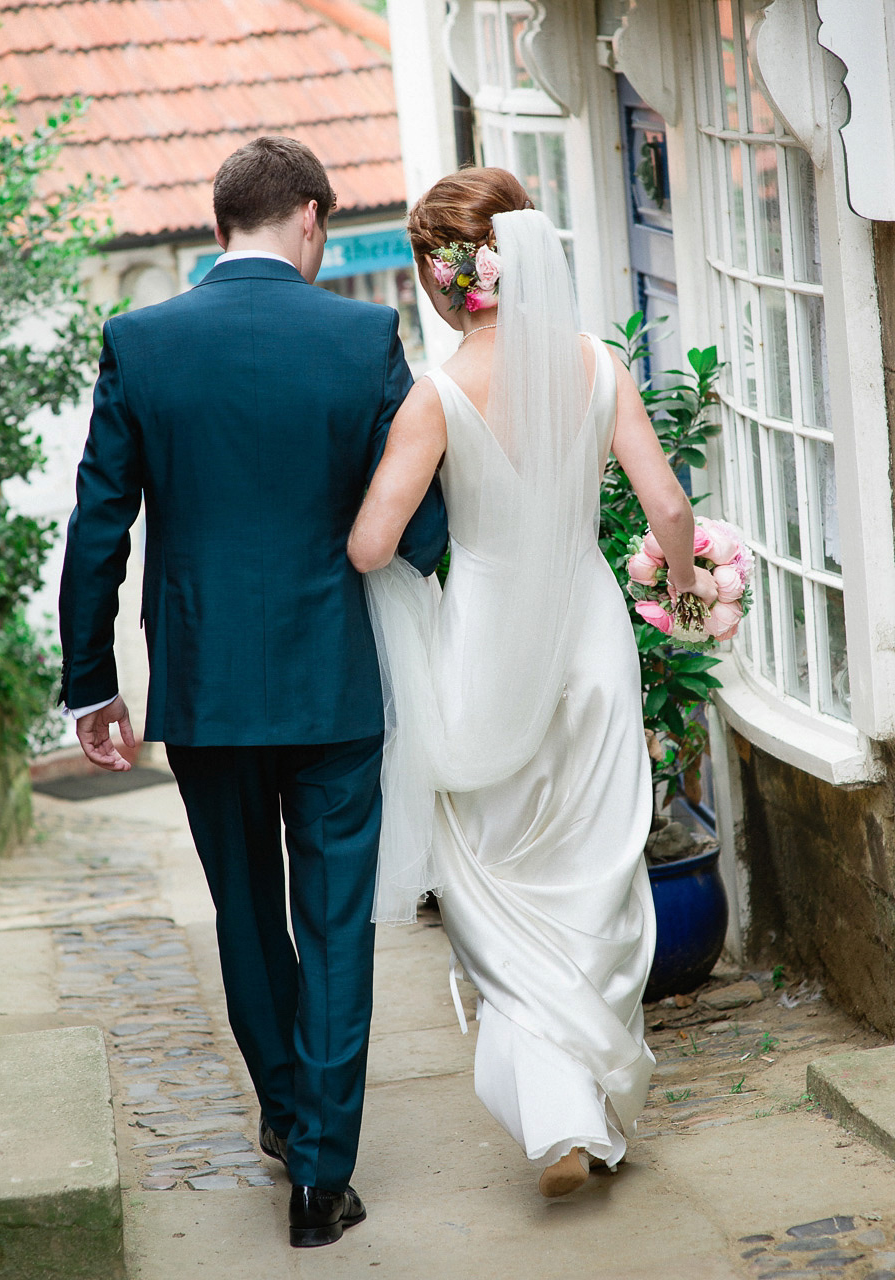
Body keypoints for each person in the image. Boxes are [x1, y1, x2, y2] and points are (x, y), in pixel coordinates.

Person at [58, 136, 448, 1247]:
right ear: (314, 219)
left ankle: (284, 1111)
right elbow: (414, 516)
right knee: (333, 923)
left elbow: (100, 528)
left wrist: (92, 683)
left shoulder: (141, 341)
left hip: (206, 684)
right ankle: (321, 1170)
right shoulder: (362, 336)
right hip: (331, 680)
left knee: (246, 911)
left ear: (222, 221)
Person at [348, 168, 718, 1198]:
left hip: (484, 653)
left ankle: (558, 1118)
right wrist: (684, 594)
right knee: (593, 875)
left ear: (439, 271)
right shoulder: (595, 366)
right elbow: (670, 510)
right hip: (590, 640)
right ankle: (589, 1106)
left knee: (497, 887)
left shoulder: (436, 396)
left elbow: (374, 543)